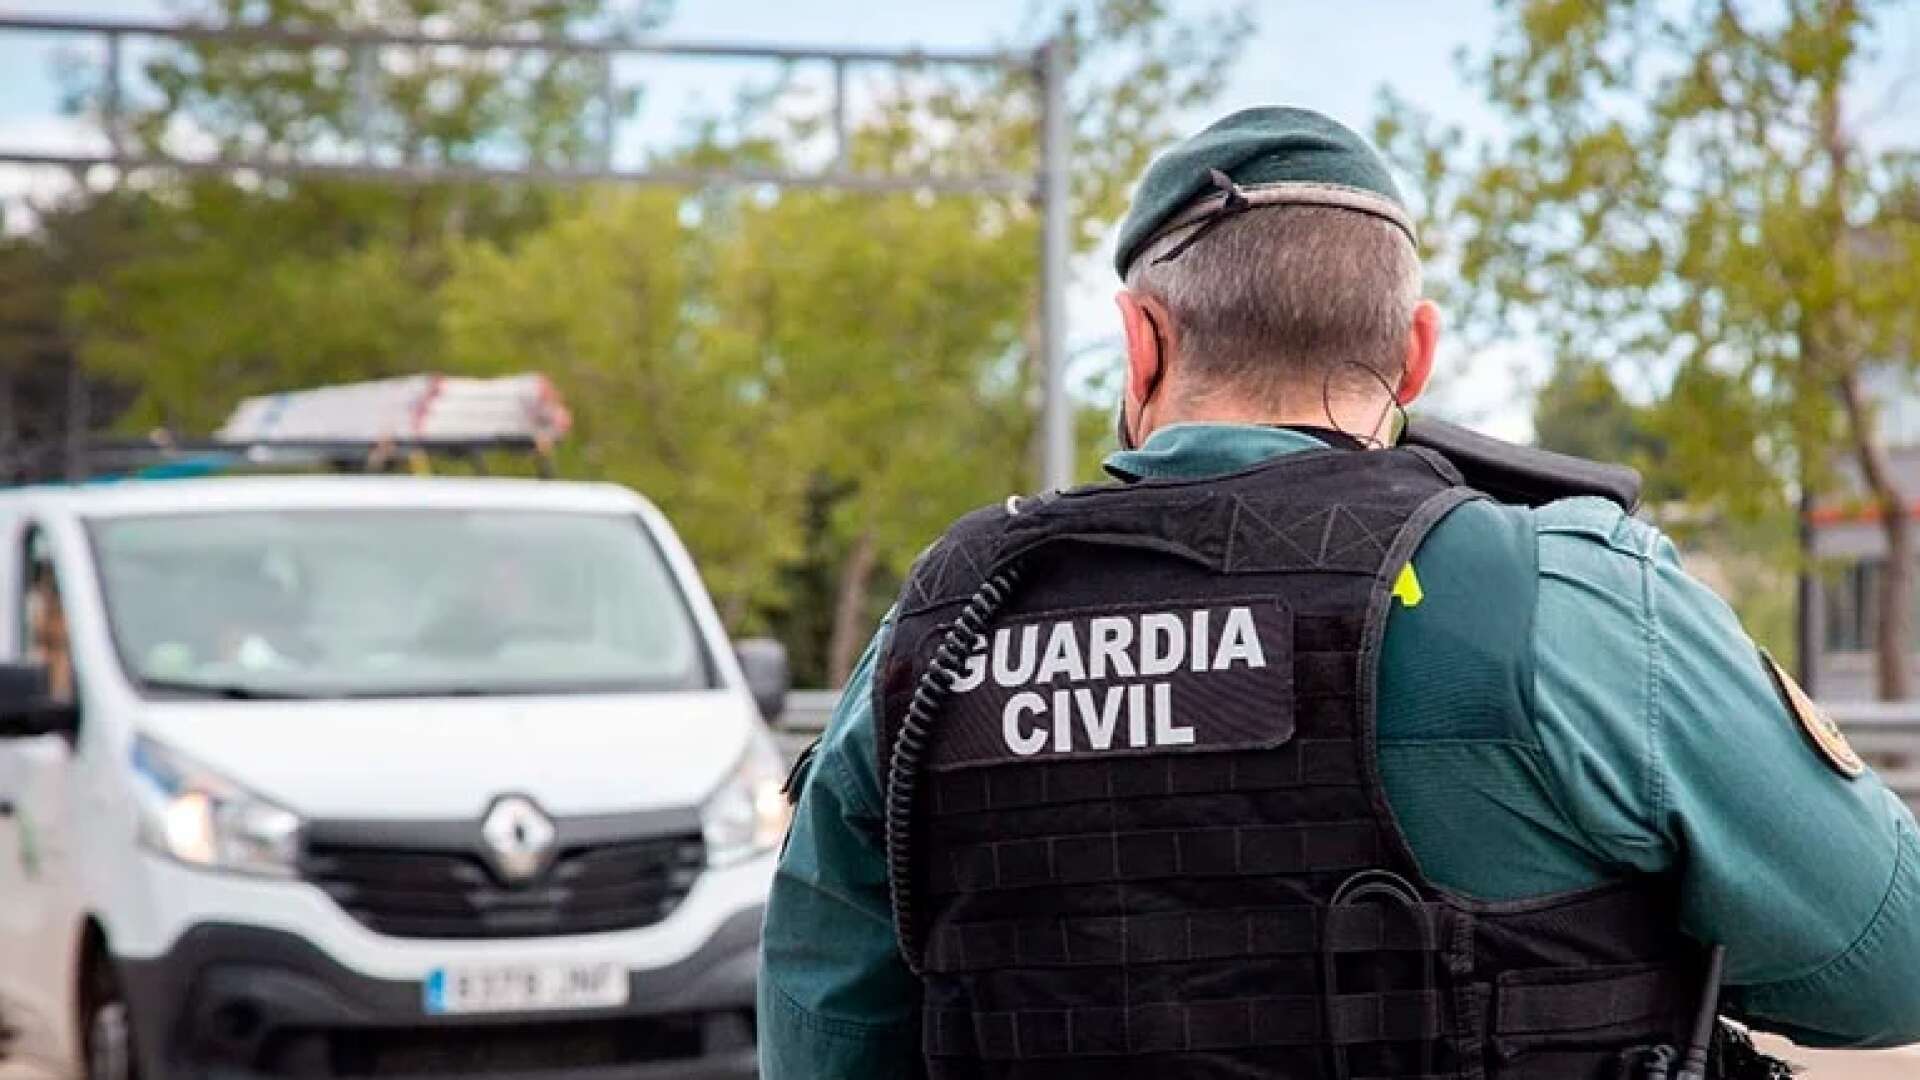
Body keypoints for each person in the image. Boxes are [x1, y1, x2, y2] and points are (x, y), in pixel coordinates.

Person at [759, 107, 1920, 1079]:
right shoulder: (1564, 601)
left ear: (1142, 341)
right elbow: (1891, 966)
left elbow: (821, 1040)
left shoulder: (939, 636)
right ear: (1413, 355)